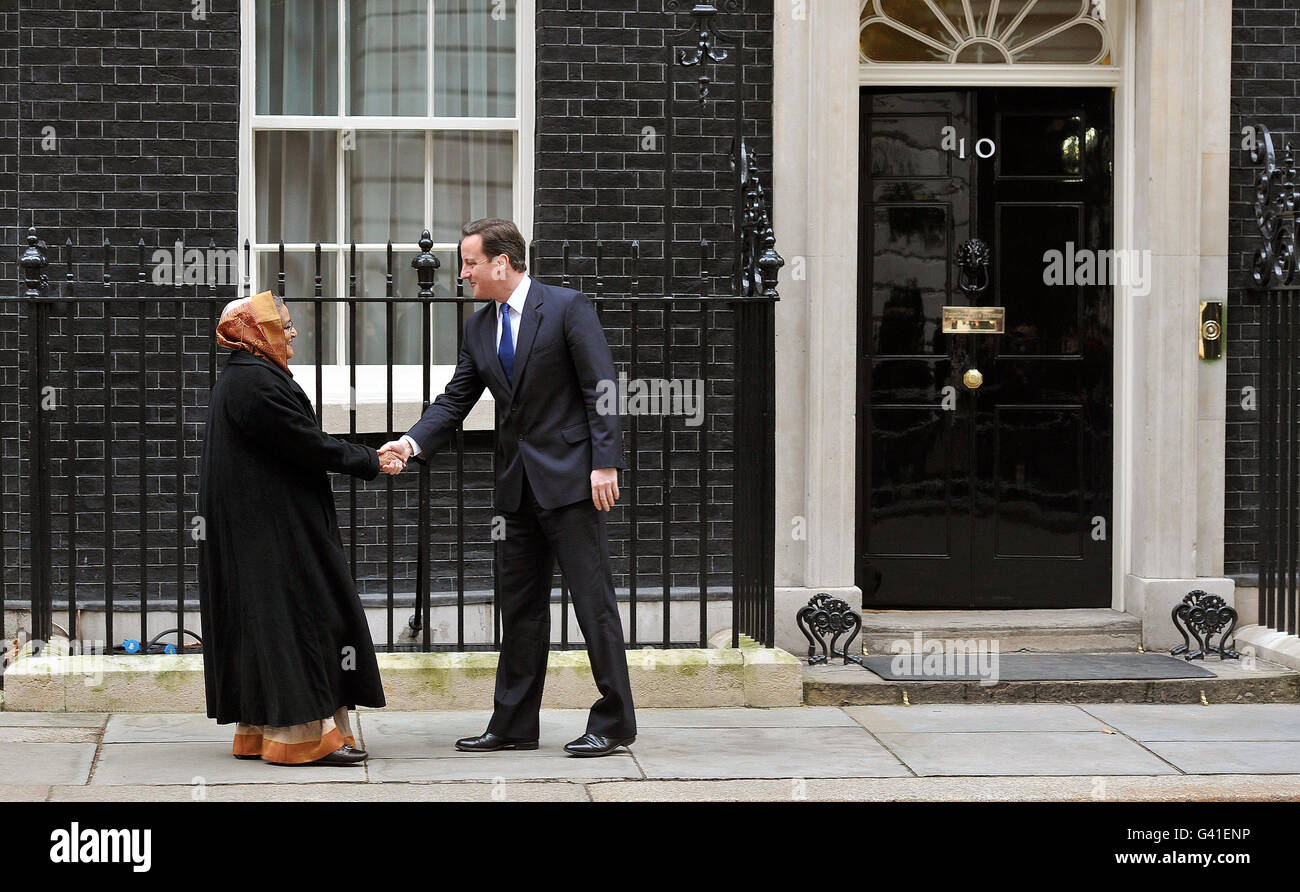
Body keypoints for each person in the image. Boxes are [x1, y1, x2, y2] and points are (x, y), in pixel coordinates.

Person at [380, 218, 637, 757]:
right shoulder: (479, 327)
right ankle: (514, 725)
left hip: (573, 482)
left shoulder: (567, 307)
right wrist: (410, 443)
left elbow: (603, 386)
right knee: (519, 609)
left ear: (501, 262)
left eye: (470, 263)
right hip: (516, 489)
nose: (464, 273)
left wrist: (606, 462)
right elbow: (455, 401)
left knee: (594, 605)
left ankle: (613, 723)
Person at [198, 290, 404, 766]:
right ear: (256, 332)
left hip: (264, 522)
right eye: (283, 326)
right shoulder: (254, 381)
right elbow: (306, 443)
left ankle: (262, 731)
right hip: (272, 528)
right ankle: (302, 738)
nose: (292, 333)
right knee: (298, 619)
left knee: (272, 622)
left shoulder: (250, 374)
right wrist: (371, 459)